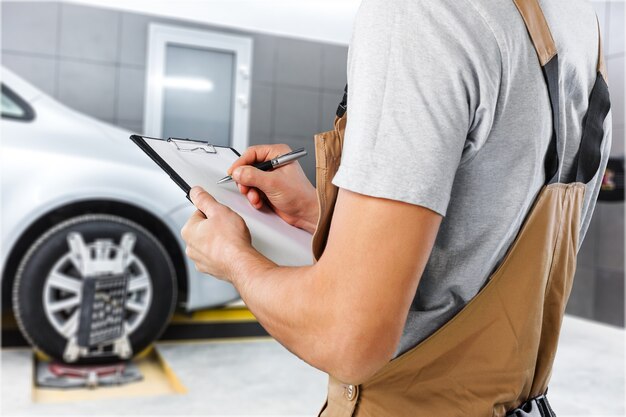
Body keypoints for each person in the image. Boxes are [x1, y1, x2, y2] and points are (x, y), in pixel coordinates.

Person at [181, 0, 612, 415]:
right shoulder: (579, 23)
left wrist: (232, 256)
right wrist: (318, 214)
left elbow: (345, 335)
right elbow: (486, 237)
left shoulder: (419, 12)